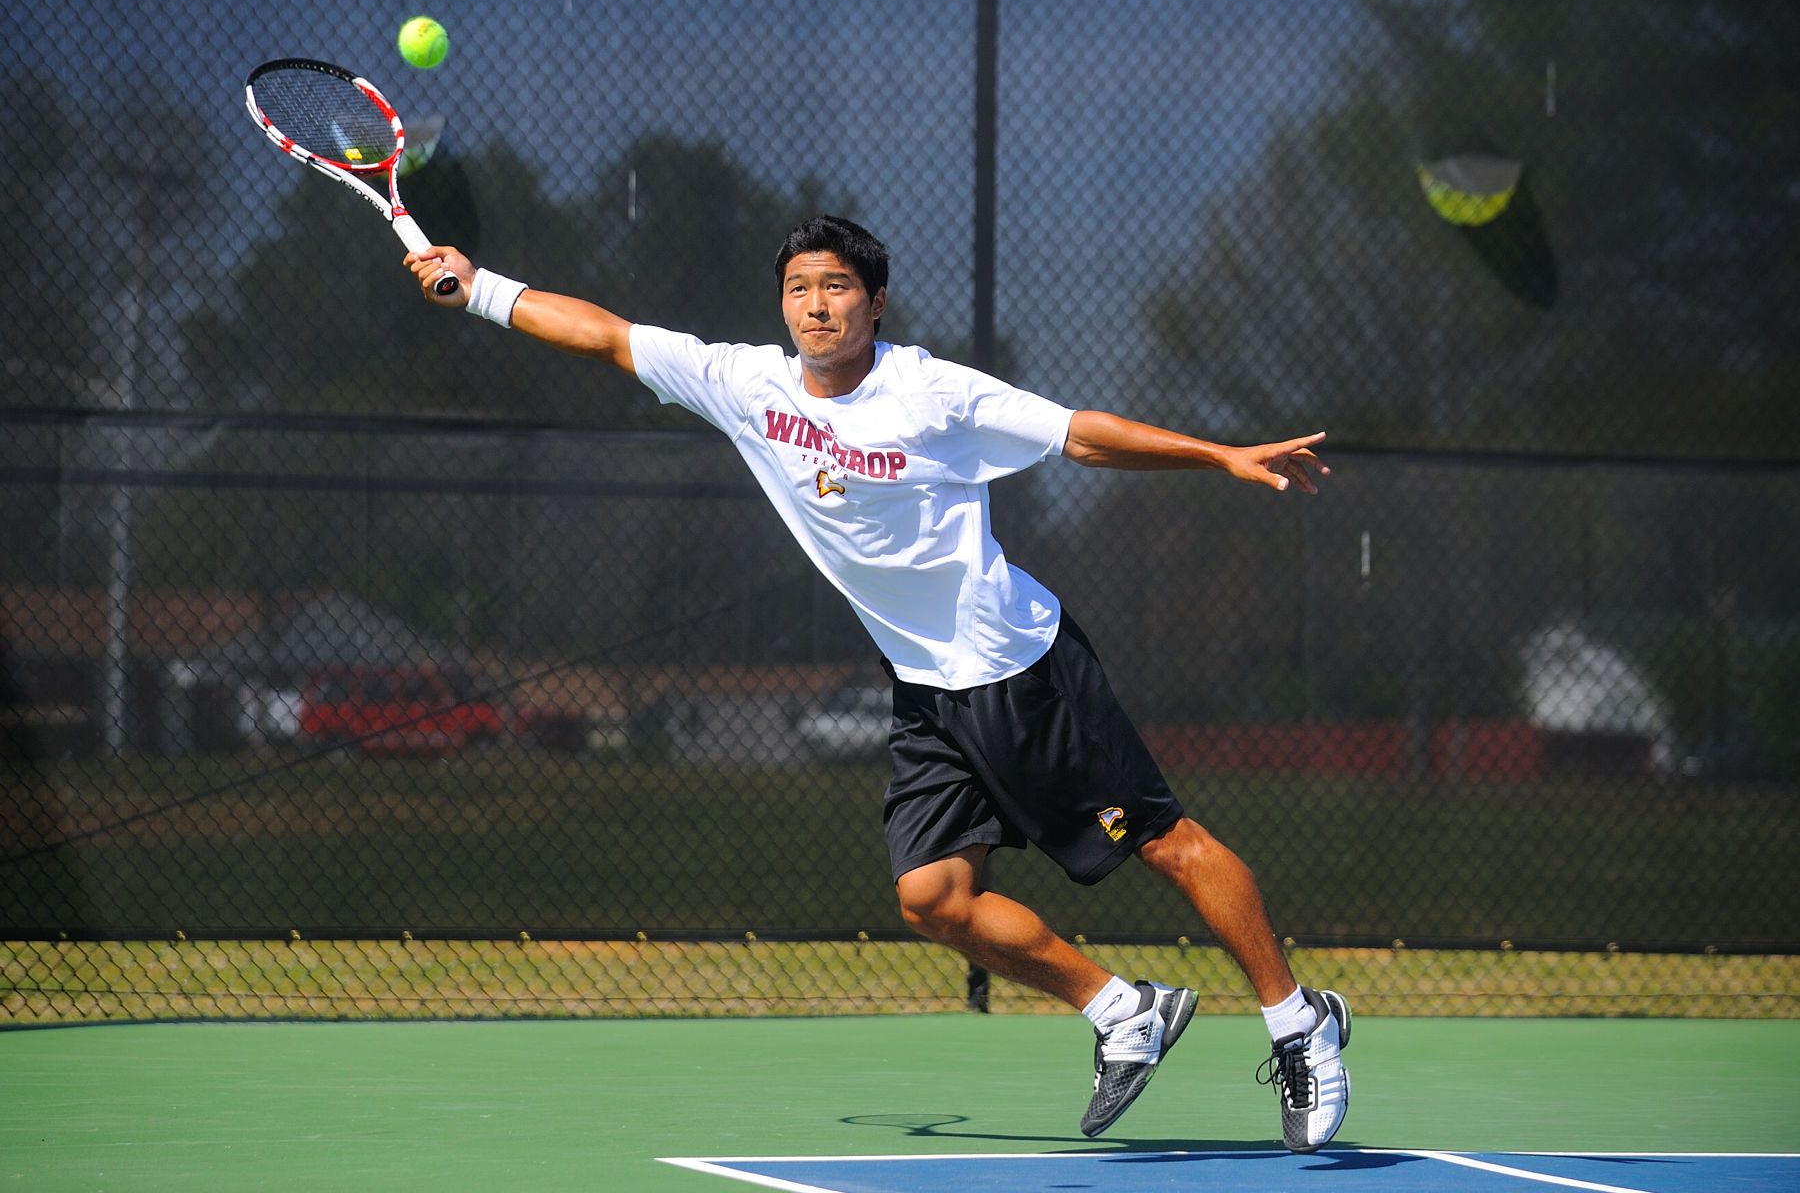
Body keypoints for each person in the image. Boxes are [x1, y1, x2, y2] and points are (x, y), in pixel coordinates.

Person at [406, 215, 1350, 1152]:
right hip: (926, 691)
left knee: (1167, 848)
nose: (816, 306)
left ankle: (1301, 1024)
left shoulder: (932, 392)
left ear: (875, 301)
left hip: (1020, 668)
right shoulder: (746, 384)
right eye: (799, 290)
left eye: (837, 287)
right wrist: (481, 288)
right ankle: (1122, 1011)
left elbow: (1079, 436)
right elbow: (606, 335)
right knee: (931, 897)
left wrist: (1219, 455)